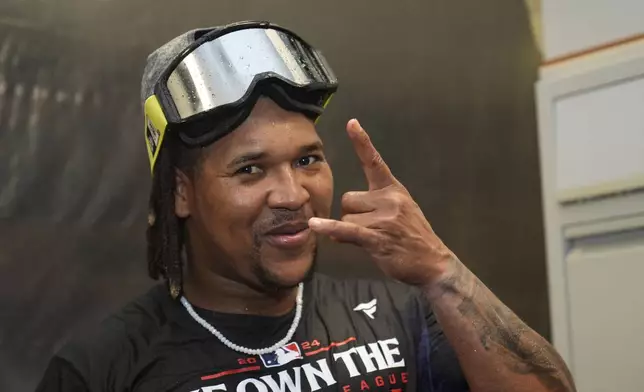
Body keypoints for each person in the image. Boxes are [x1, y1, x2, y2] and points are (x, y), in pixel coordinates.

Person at [35, 21, 576, 392]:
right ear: (181, 192)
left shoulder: (404, 318)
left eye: (307, 161)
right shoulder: (104, 369)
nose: (292, 196)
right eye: (250, 170)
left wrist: (441, 269)